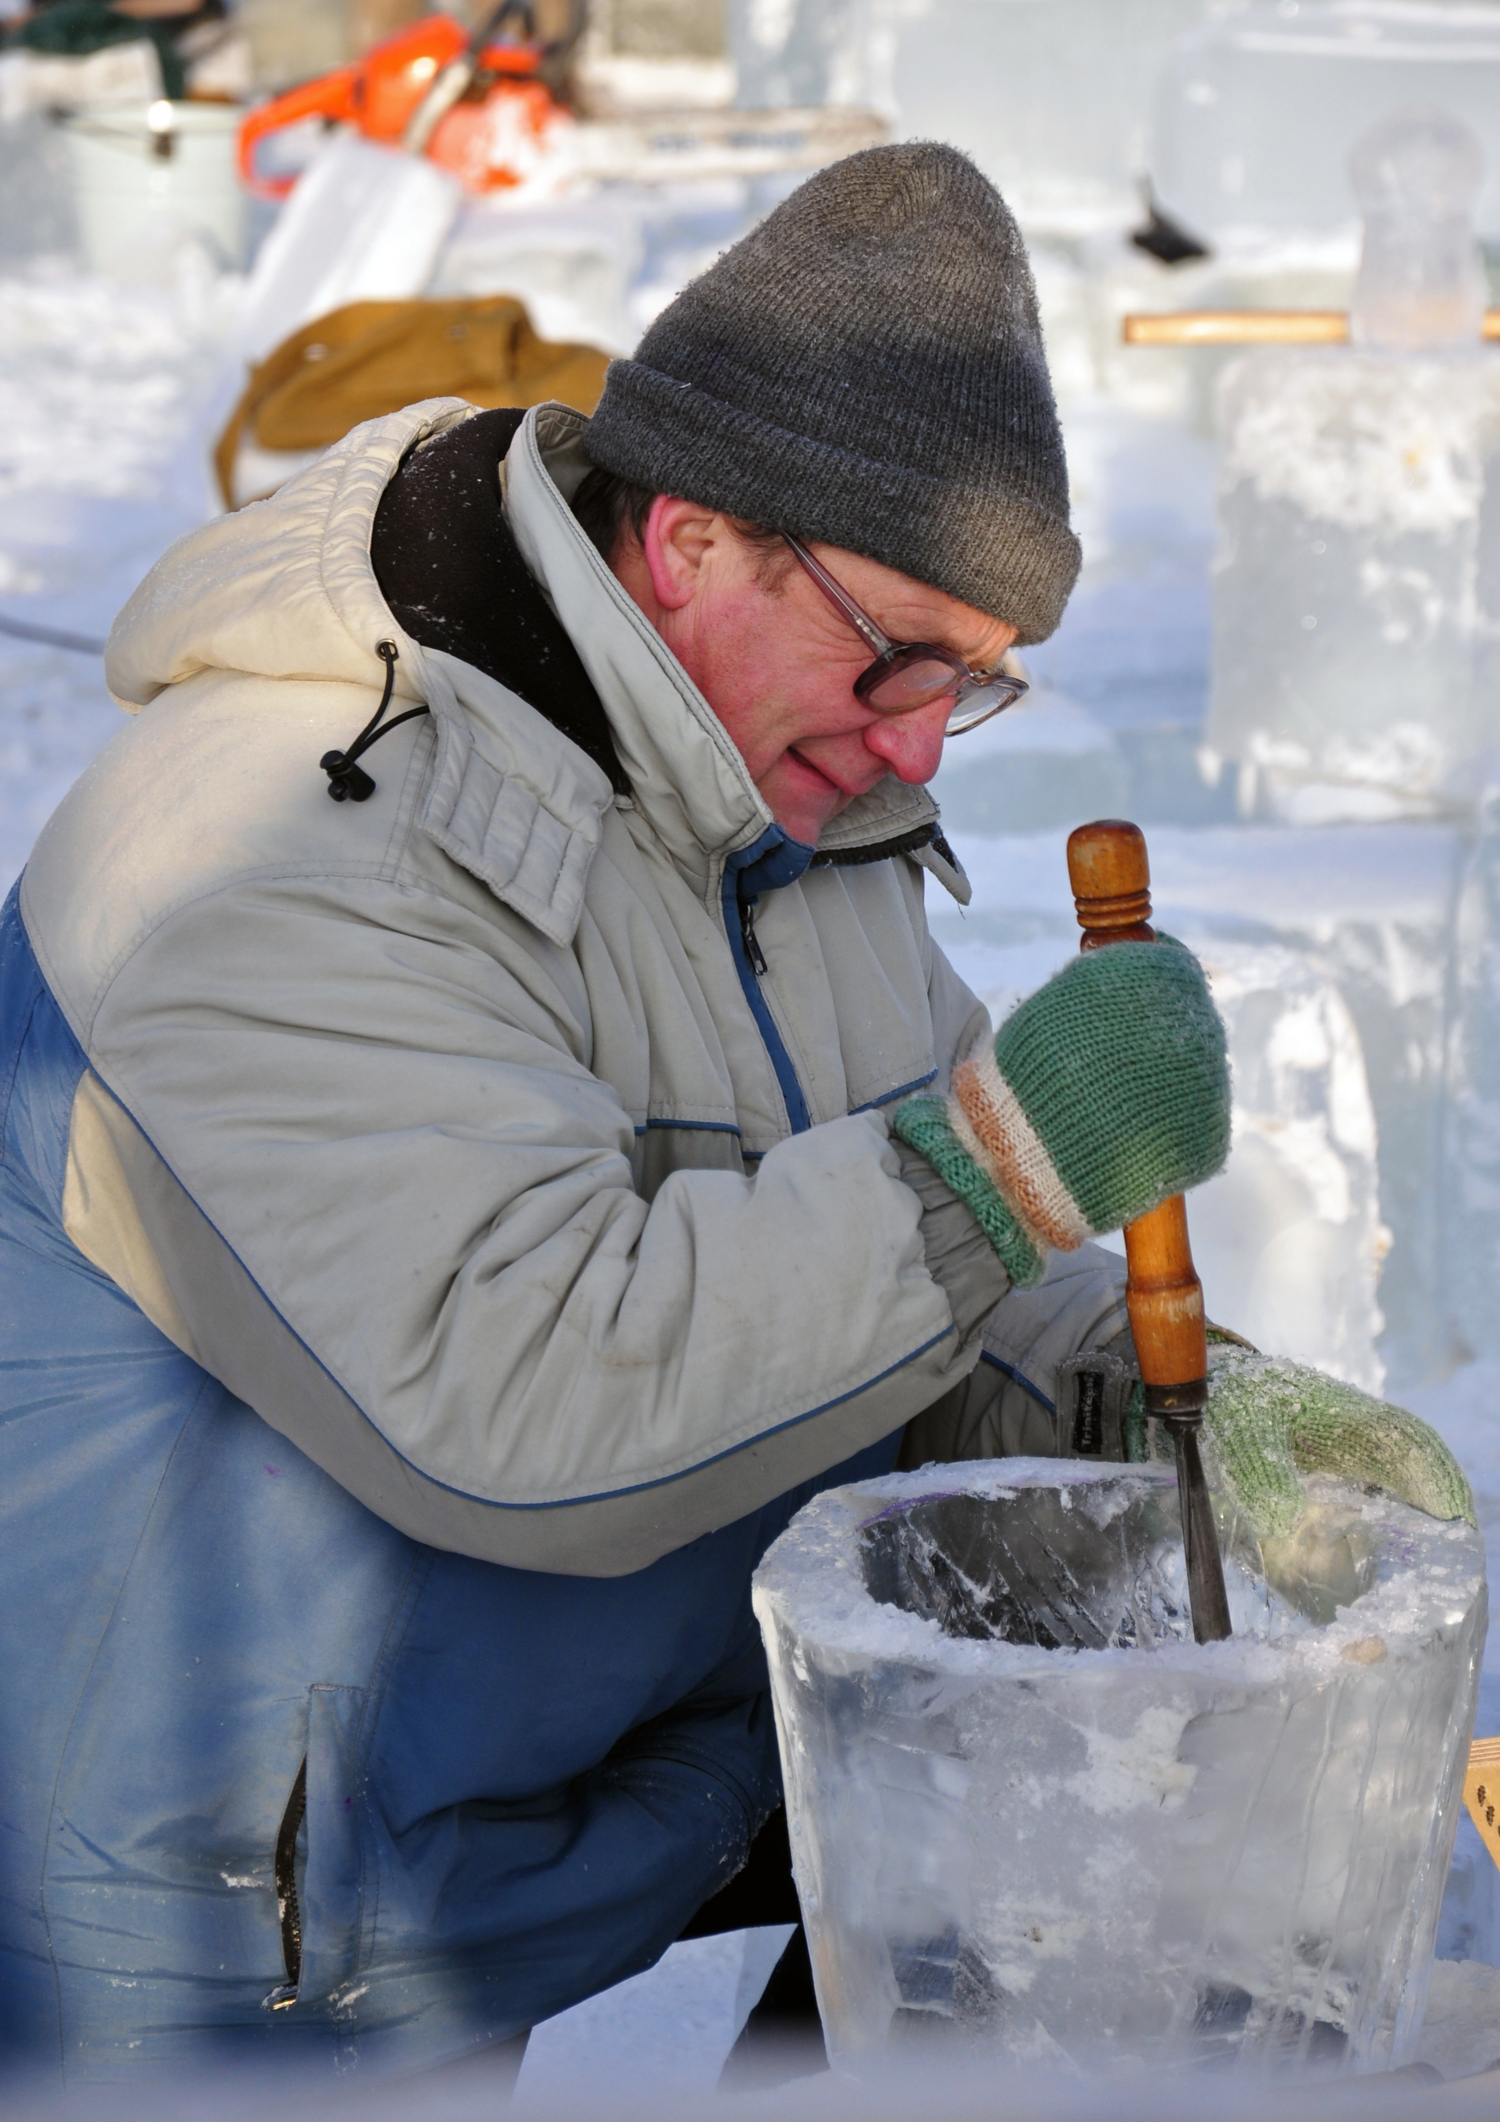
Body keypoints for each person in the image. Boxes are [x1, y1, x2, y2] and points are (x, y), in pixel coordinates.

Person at [0, 143, 1468, 2084]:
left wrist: (1142, 1398)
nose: (924, 741)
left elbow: (904, 1267)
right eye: (901, 653)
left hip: (544, 1793)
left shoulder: (793, 804)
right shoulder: (265, 841)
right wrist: (1006, 1157)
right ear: (691, 539)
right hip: (202, 1911)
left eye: (982, 684)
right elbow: (531, 1398)